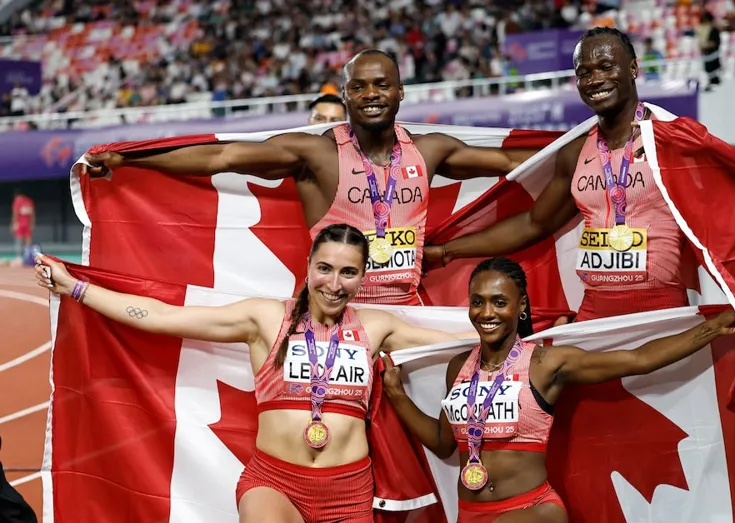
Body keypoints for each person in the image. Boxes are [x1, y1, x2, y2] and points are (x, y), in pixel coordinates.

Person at [33, 223, 472, 523]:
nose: (334, 284)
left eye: (348, 272)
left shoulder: (376, 327)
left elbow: (461, 339)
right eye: (324, 268)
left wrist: (530, 331)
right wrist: (76, 287)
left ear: (362, 276)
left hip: (350, 489)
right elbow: (161, 316)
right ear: (307, 265)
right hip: (275, 483)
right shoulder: (265, 319)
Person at [82, 49, 539, 306]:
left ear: (401, 92)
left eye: (381, 84)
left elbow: (510, 161)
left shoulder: (432, 149)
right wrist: (131, 161)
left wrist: (599, 141)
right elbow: (222, 155)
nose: (370, 94)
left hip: (406, 313)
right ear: (345, 96)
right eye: (358, 86)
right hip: (333, 313)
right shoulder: (318, 152)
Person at [380, 257, 735, 521]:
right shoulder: (459, 367)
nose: (486, 312)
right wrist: (397, 396)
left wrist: (712, 329)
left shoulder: (545, 363)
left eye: (499, 302)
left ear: (521, 307)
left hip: (532, 512)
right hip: (470, 512)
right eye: (478, 301)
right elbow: (445, 443)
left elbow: (638, 358)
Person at [425, 27, 696, 321]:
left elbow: (718, 218)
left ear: (633, 68)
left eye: (606, 67)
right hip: (595, 313)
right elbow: (534, 223)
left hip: (664, 312)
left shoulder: (672, 141)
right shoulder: (576, 152)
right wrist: (445, 251)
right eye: (584, 72)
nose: (595, 80)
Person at [10, 189, 34, 260]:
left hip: (20, 223)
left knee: (19, 240)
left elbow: (15, 214)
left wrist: (14, 224)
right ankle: (27, 255)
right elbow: (33, 214)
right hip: (28, 223)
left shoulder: (17, 201)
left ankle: (19, 256)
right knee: (28, 240)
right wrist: (32, 224)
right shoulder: (29, 201)